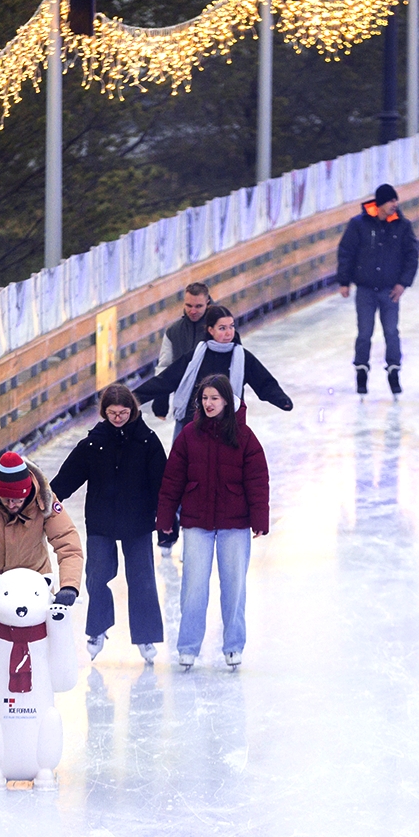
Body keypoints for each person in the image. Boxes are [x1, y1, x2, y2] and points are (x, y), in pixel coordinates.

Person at [0, 450, 83, 768]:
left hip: (36, 588)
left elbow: (68, 544)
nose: (12, 505)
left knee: (38, 659)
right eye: (6, 500)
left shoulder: (46, 500)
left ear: (28, 492)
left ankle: (37, 724)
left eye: (17, 500)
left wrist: (68, 587)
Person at [155, 375, 269, 670]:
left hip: (235, 522)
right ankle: (189, 647)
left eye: (215, 398)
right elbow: (172, 481)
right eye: (205, 398)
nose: (209, 403)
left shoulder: (244, 436)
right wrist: (165, 518)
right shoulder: (189, 435)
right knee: (193, 586)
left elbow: (257, 481)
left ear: (227, 401)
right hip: (197, 522)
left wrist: (259, 519)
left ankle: (233, 646)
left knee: (234, 585)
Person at [50, 383, 167, 663]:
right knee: (98, 576)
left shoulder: (147, 441)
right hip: (101, 521)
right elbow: (68, 477)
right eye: (112, 413)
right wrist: (48, 500)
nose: (118, 418)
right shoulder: (94, 442)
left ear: (133, 410)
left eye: (124, 412)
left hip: (138, 521)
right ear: (104, 412)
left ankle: (146, 635)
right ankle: (98, 629)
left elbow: (162, 483)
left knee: (142, 580)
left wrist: (166, 518)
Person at [135, 304, 293, 435]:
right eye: (222, 328)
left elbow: (264, 383)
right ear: (210, 330)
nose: (229, 332)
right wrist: (135, 398)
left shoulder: (242, 357)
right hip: (194, 425)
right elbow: (166, 380)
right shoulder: (196, 356)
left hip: (227, 426)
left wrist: (281, 399)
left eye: (231, 326)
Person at [336, 182, 419, 396]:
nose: (395, 204)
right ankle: (361, 372)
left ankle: (394, 372)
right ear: (380, 203)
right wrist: (344, 281)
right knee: (364, 333)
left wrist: (403, 283)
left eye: (395, 200)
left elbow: (412, 255)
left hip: (390, 290)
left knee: (391, 332)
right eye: (391, 201)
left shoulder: (402, 225)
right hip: (365, 289)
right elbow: (346, 252)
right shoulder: (359, 224)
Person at [156, 282, 212, 370]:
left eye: (198, 306)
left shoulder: (220, 330)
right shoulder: (173, 332)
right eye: (189, 306)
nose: (193, 311)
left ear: (207, 303)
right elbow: (163, 367)